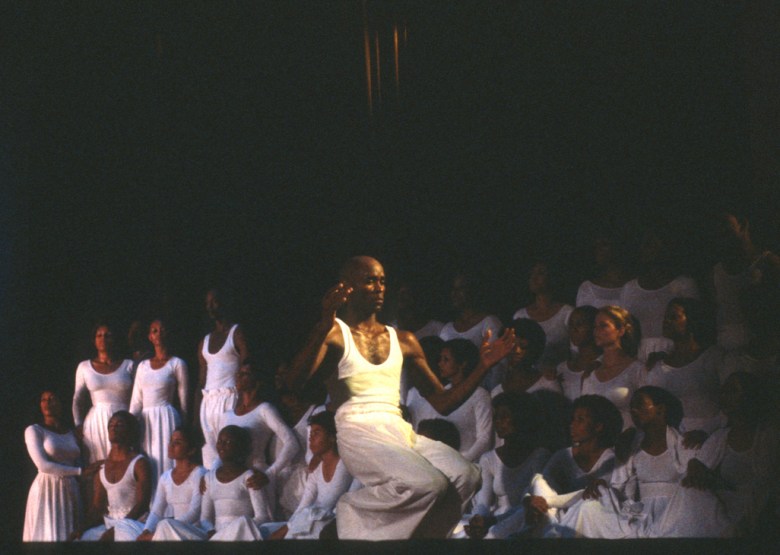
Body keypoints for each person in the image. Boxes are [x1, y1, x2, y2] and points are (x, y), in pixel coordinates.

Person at [285, 256, 515, 539]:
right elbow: (293, 384)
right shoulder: (336, 333)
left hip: (397, 429)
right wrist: (322, 324)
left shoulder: (403, 339)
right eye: (370, 280)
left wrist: (483, 366)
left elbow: (444, 402)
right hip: (357, 431)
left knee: (466, 476)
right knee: (428, 483)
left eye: (382, 281)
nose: (379, 287)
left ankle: (420, 542)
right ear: (347, 288)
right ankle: (351, 511)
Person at [547, 386, 695, 538]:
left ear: (660, 409)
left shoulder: (683, 443)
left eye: (640, 405)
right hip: (640, 514)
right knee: (587, 508)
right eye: (631, 408)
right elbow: (622, 490)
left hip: (674, 513)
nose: (634, 411)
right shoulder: (630, 446)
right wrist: (603, 487)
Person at [523, 394, 622, 537]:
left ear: (598, 426)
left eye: (580, 420)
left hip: (593, 519)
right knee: (539, 481)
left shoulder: (611, 459)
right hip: (559, 516)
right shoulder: (563, 456)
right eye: (573, 419)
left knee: (589, 506)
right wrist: (529, 499)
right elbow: (538, 487)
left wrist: (549, 501)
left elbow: (604, 498)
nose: (572, 425)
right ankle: (550, 532)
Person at [463, 392, 551, 539]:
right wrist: (479, 519)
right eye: (496, 417)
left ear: (521, 418)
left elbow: (534, 501)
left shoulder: (540, 456)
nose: (498, 422)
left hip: (523, 520)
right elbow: (483, 503)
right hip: (494, 521)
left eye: (504, 417)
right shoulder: (489, 459)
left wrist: (493, 521)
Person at [219, 358, 299, 518]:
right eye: (238, 373)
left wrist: (269, 474)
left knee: (259, 526)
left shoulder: (264, 409)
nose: (239, 377)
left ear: (257, 380)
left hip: (256, 478)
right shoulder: (228, 414)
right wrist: (210, 475)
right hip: (232, 478)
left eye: (245, 374)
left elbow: (292, 443)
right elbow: (220, 450)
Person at [23, 390, 100, 541]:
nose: (47, 403)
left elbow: (78, 460)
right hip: (47, 487)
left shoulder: (72, 433)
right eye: (43, 399)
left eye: (52, 398)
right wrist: (80, 471)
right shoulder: (34, 430)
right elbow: (43, 465)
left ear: (61, 403)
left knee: (69, 535)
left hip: (70, 489)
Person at [265, 411, 353, 540]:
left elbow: (331, 505)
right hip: (316, 519)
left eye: (317, 433)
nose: (311, 438)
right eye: (311, 433)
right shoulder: (317, 469)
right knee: (271, 530)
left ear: (332, 437)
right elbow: (304, 505)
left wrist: (291, 527)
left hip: (335, 525)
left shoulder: (345, 464)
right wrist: (285, 529)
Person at [643, 298, 723, 436]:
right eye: (666, 317)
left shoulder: (713, 357)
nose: (666, 321)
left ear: (692, 320)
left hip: (711, 435)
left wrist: (707, 432)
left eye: (673, 317)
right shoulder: (657, 364)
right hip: (673, 438)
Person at [619, 227, 700, 362]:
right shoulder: (629, 289)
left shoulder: (684, 285)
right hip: (639, 358)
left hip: (677, 356)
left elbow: (695, 327)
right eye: (646, 244)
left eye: (653, 243)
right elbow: (626, 332)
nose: (650, 249)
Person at [72, 411, 153, 541]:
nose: (113, 428)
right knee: (82, 540)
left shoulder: (139, 463)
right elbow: (97, 507)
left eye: (119, 425)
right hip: (110, 524)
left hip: (133, 524)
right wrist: (81, 528)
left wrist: (118, 529)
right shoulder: (102, 467)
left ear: (129, 431)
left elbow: (142, 504)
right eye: (111, 425)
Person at [129, 318, 189, 486]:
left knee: (167, 460)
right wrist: (131, 427)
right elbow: (136, 402)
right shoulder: (142, 366)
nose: (159, 333)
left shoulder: (177, 364)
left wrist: (183, 429)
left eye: (162, 330)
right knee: (149, 460)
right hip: (146, 421)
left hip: (167, 418)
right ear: (150, 337)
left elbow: (184, 403)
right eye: (155, 331)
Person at [196, 288, 249, 469]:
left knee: (231, 456)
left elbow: (247, 367)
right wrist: (197, 416)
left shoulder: (237, 332)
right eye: (207, 303)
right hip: (208, 403)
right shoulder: (204, 341)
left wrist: (243, 402)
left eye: (215, 302)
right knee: (210, 458)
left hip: (230, 400)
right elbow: (201, 381)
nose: (210, 307)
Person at [72, 322, 135, 463]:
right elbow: (77, 399)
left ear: (114, 339)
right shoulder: (84, 367)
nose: (103, 339)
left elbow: (137, 397)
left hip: (123, 420)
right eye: (99, 335)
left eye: (107, 335)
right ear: (94, 340)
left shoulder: (129, 365)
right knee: (98, 465)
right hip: (95, 422)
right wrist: (78, 424)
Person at [137, 426, 207, 541]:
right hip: (170, 529)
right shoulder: (165, 477)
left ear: (191, 449)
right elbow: (156, 512)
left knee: (164, 524)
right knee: (124, 524)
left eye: (177, 442)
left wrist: (164, 529)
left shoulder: (200, 473)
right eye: (170, 441)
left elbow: (195, 513)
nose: (171, 445)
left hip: (194, 532)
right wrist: (146, 531)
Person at [580, 306, 643, 430]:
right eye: (595, 326)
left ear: (621, 330)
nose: (596, 331)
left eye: (603, 325)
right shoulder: (591, 372)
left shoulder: (637, 369)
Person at [435, 338, 493, 462]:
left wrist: (461, 462)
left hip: (469, 465)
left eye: (446, 360)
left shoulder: (480, 395)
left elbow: (484, 439)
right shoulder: (444, 392)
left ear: (462, 364)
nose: (440, 364)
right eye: (440, 359)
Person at [512, 261, 574, 375]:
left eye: (540, 273)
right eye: (531, 274)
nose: (534, 278)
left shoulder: (567, 313)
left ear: (552, 277)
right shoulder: (520, 315)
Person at [556, 306, 601, 402]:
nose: (574, 329)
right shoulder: (561, 369)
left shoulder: (604, 366)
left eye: (579, 324)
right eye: (571, 325)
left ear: (594, 327)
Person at [575, 232, 631, 309]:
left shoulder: (634, 286)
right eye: (596, 246)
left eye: (604, 244)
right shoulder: (588, 288)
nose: (599, 249)